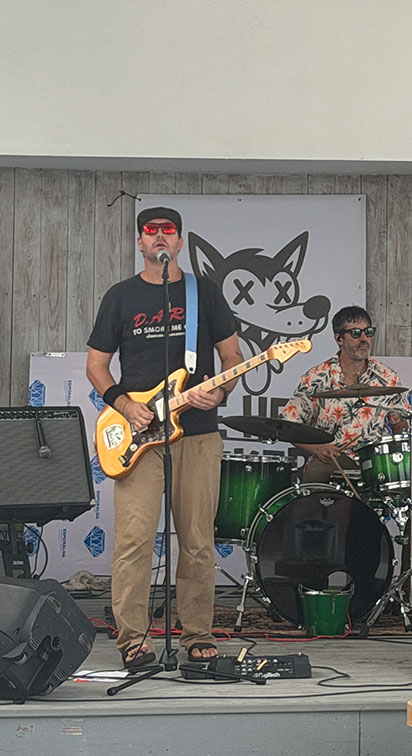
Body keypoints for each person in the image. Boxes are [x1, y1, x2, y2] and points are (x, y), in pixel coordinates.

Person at [86, 206, 242, 669]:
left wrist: (222, 389)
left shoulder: (204, 293)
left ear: (179, 242)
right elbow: (96, 365)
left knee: (196, 539)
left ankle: (196, 632)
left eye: (167, 232)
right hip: (139, 435)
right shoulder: (120, 296)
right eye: (150, 232)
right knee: (133, 540)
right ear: (139, 243)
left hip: (196, 433)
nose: (158, 238)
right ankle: (133, 639)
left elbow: (232, 358)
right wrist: (123, 404)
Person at [281, 306, 410, 483]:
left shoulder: (387, 378)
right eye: (356, 333)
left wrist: (399, 455)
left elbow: (400, 425)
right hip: (334, 459)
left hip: (375, 461)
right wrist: (317, 449)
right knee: (317, 472)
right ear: (339, 339)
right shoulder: (316, 378)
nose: (364, 339)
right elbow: (288, 426)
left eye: (368, 332)